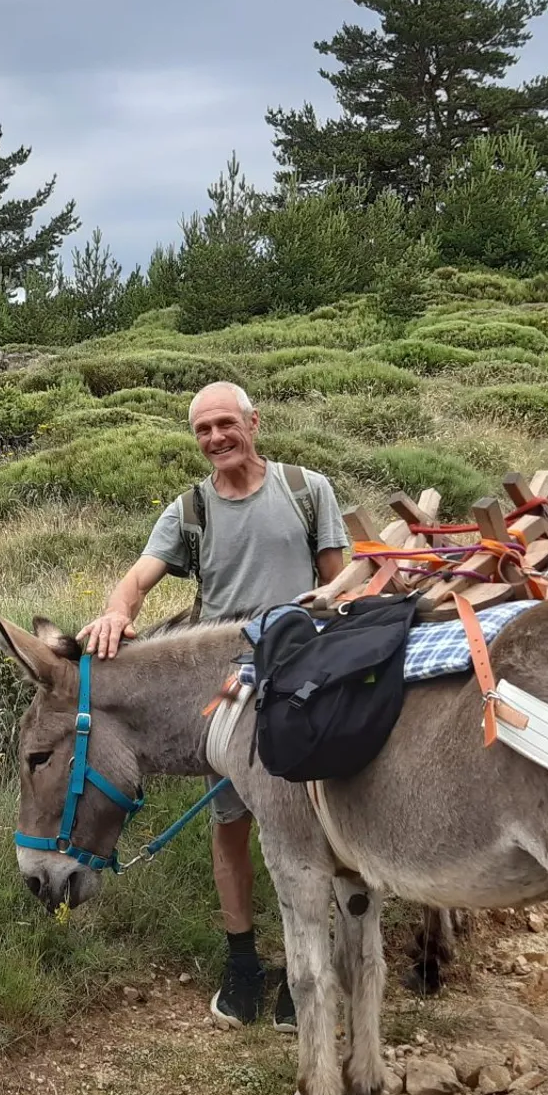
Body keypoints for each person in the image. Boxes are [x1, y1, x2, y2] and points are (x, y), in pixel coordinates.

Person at [78, 381, 345, 1029]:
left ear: (253, 422)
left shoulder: (307, 490)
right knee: (230, 823)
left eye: (226, 423)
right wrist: (116, 612)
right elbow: (139, 577)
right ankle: (243, 967)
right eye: (203, 430)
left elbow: (342, 577)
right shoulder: (190, 509)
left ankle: (303, 972)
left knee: (317, 820)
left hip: (303, 677)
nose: (216, 438)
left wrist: (322, 608)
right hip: (224, 691)